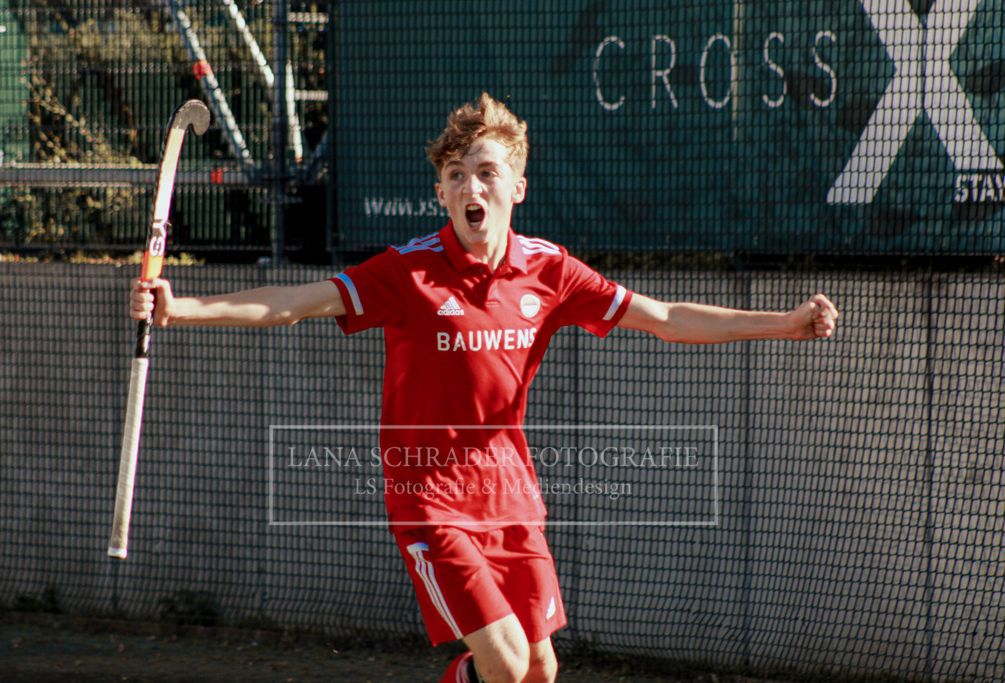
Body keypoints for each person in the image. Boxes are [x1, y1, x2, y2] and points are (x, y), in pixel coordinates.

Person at [130, 93, 838, 683]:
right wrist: (182, 307)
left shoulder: (551, 271)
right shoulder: (407, 272)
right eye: (457, 175)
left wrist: (784, 323)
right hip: (429, 499)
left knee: (540, 668)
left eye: (487, 172)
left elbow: (666, 317)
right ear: (440, 192)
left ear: (516, 187)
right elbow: (294, 302)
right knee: (501, 661)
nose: (473, 187)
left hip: (511, 498)